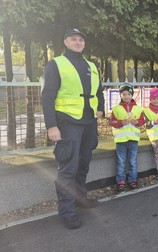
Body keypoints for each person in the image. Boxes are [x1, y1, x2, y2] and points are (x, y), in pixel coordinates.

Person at [42, 28, 105, 229]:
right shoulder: (56, 64)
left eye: (81, 40)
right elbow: (47, 96)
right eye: (73, 39)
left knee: (84, 163)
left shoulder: (91, 66)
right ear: (66, 42)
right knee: (68, 167)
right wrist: (52, 125)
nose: (78, 42)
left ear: (84, 44)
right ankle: (67, 212)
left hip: (88, 123)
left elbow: (99, 91)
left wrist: (101, 110)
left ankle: (80, 199)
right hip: (67, 123)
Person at [109, 83, 144, 193]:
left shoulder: (138, 109)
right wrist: (120, 122)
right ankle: (121, 182)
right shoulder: (116, 109)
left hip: (133, 140)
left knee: (133, 161)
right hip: (121, 141)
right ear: (120, 95)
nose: (126, 96)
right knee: (121, 161)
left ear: (132, 95)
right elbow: (111, 122)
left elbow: (142, 121)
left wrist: (137, 122)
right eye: (124, 94)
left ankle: (132, 179)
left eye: (129, 94)